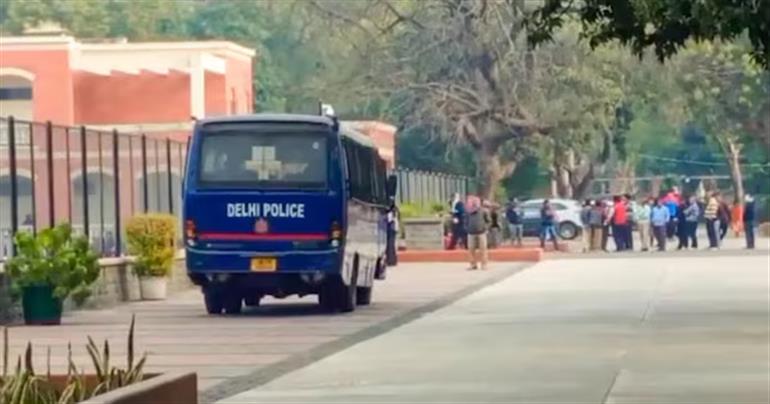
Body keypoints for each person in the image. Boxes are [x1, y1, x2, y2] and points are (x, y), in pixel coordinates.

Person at [465, 195, 489, 270]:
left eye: (474, 202)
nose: (472, 203)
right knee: (471, 249)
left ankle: (484, 264)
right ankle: (473, 264)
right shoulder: (468, 212)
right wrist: (467, 228)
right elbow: (466, 221)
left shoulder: (483, 211)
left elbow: (488, 221)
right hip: (471, 233)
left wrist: (485, 228)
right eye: (471, 202)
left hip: (481, 232)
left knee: (483, 249)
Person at [386, 198, 399, 266]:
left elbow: (389, 220)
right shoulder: (395, 210)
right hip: (393, 229)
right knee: (392, 246)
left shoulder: (392, 211)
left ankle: (391, 260)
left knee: (390, 246)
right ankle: (392, 260)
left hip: (391, 229)